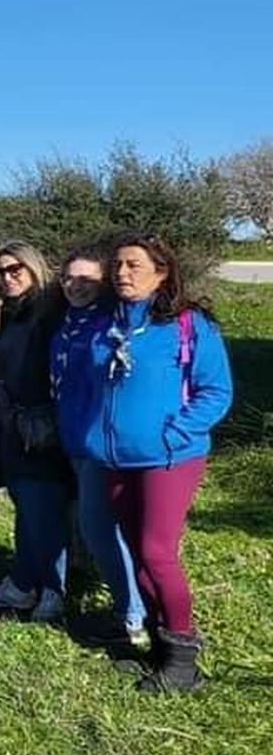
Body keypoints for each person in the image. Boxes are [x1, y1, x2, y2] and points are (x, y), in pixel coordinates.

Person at [77, 234, 233, 691]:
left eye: (134, 265)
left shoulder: (189, 325)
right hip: (114, 458)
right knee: (138, 553)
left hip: (169, 458)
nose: (122, 273)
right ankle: (161, 649)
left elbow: (216, 391)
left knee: (156, 553)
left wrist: (173, 433)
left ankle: (183, 659)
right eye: (117, 265)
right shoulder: (107, 323)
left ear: (161, 273)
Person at [50, 245, 145, 645]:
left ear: (103, 283)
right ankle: (130, 607)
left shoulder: (109, 325)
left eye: (87, 280)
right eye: (70, 278)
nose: (77, 286)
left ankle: (134, 614)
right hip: (70, 438)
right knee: (96, 529)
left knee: (102, 529)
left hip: (99, 444)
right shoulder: (65, 323)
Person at [0, 241, 72, 621]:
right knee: (26, 510)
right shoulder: (7, 315)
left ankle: (53, 589)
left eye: (16, 268)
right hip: (12, 428)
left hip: (42, 428)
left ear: (34, 268)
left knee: (44, 510)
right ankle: (24, 581)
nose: (8, 277)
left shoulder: (51, 312)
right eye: (0, 271)